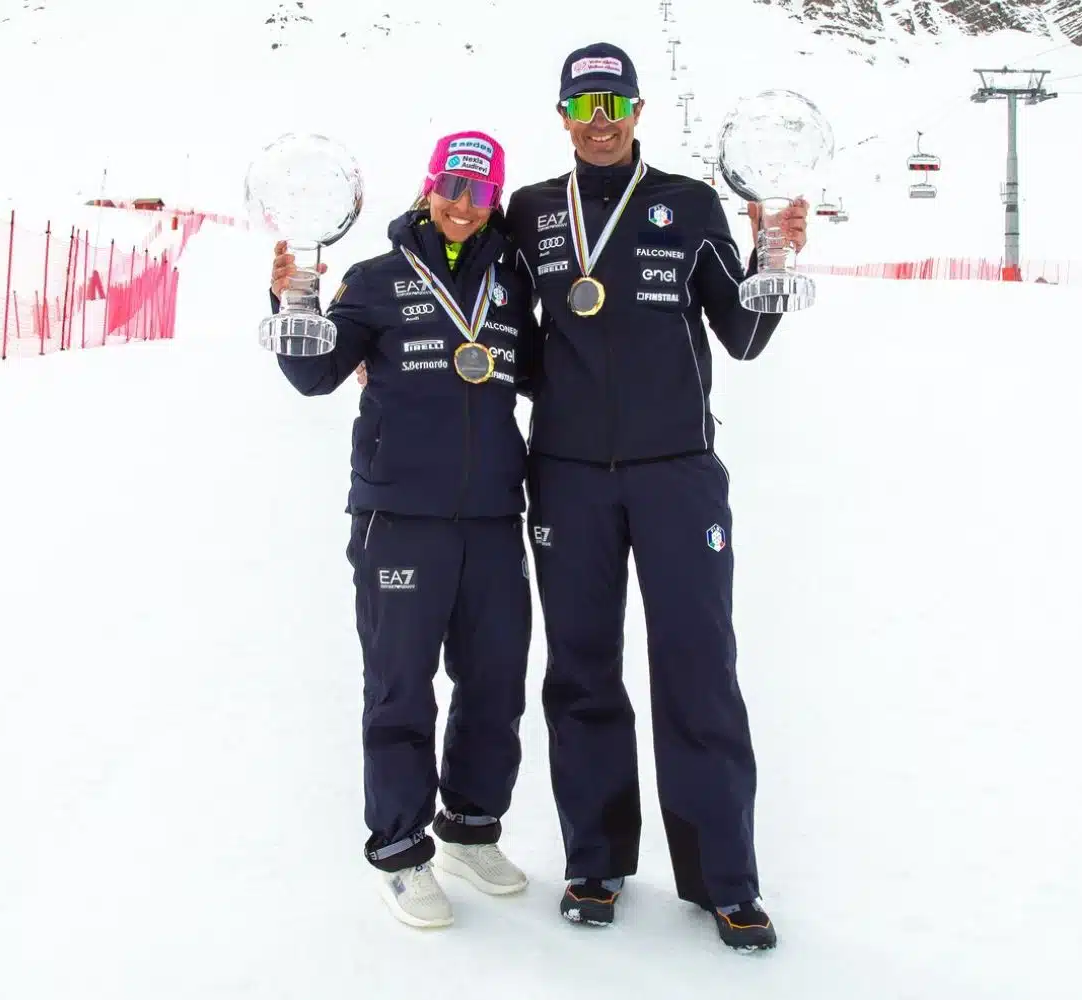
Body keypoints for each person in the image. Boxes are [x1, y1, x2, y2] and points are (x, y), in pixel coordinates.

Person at [500, 42, 807, 952]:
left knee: (697, 669)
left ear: (638, 111)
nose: (599, 123)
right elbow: (493, 315)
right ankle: (595, 860)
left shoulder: (690, 203)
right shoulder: (529, 211)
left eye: (614, 105)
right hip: (566, 475)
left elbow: (741, 333)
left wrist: (775, 255)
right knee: (581, 670)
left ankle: (725, 879)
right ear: (562, 115)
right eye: (582, 106)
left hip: (677, 471)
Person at [270, 130, 541, 930]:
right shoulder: (377, 280)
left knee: (495, 682)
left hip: (493, 516)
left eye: (479, 192)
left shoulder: (513, 284)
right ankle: (399, 851)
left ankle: (470, 829)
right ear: (428, 188)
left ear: (494, 200)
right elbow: (316, 373)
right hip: (400, 518)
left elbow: (550, 373)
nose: (462, 204)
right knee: (400, 687)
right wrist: (293, 304)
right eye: (451, 186)